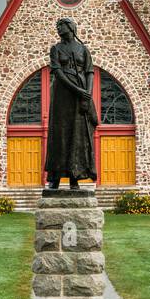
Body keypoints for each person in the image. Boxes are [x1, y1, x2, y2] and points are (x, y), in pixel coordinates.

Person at [44, 18, 98, 190]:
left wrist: (87, 95)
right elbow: (58, 73)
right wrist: (78, 90)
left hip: (81, 92)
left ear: (71, 28)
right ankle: (55, 177)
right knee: (59, 133)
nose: (58, 28)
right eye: (57, 26)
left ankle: (76, 177)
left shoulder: (83, 49)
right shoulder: (56, 49)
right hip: (62, 93)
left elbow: (90, 72)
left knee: (78, 134)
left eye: (62, 25)